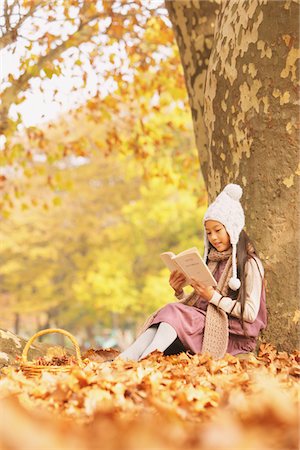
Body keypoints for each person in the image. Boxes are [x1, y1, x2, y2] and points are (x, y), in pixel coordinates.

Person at [118, 183, 267, 362]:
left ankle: (146, 359)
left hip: (233, 333)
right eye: (208, 233)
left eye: (218, 230)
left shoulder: (250, 263)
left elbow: (250, 313)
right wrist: (179, 290)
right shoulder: (212, 260)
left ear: (232, 229)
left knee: (174, 311)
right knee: (171, 310)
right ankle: (126, 359)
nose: (213, 237)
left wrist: (212, 296)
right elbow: (198, 307)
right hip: (207, 322)